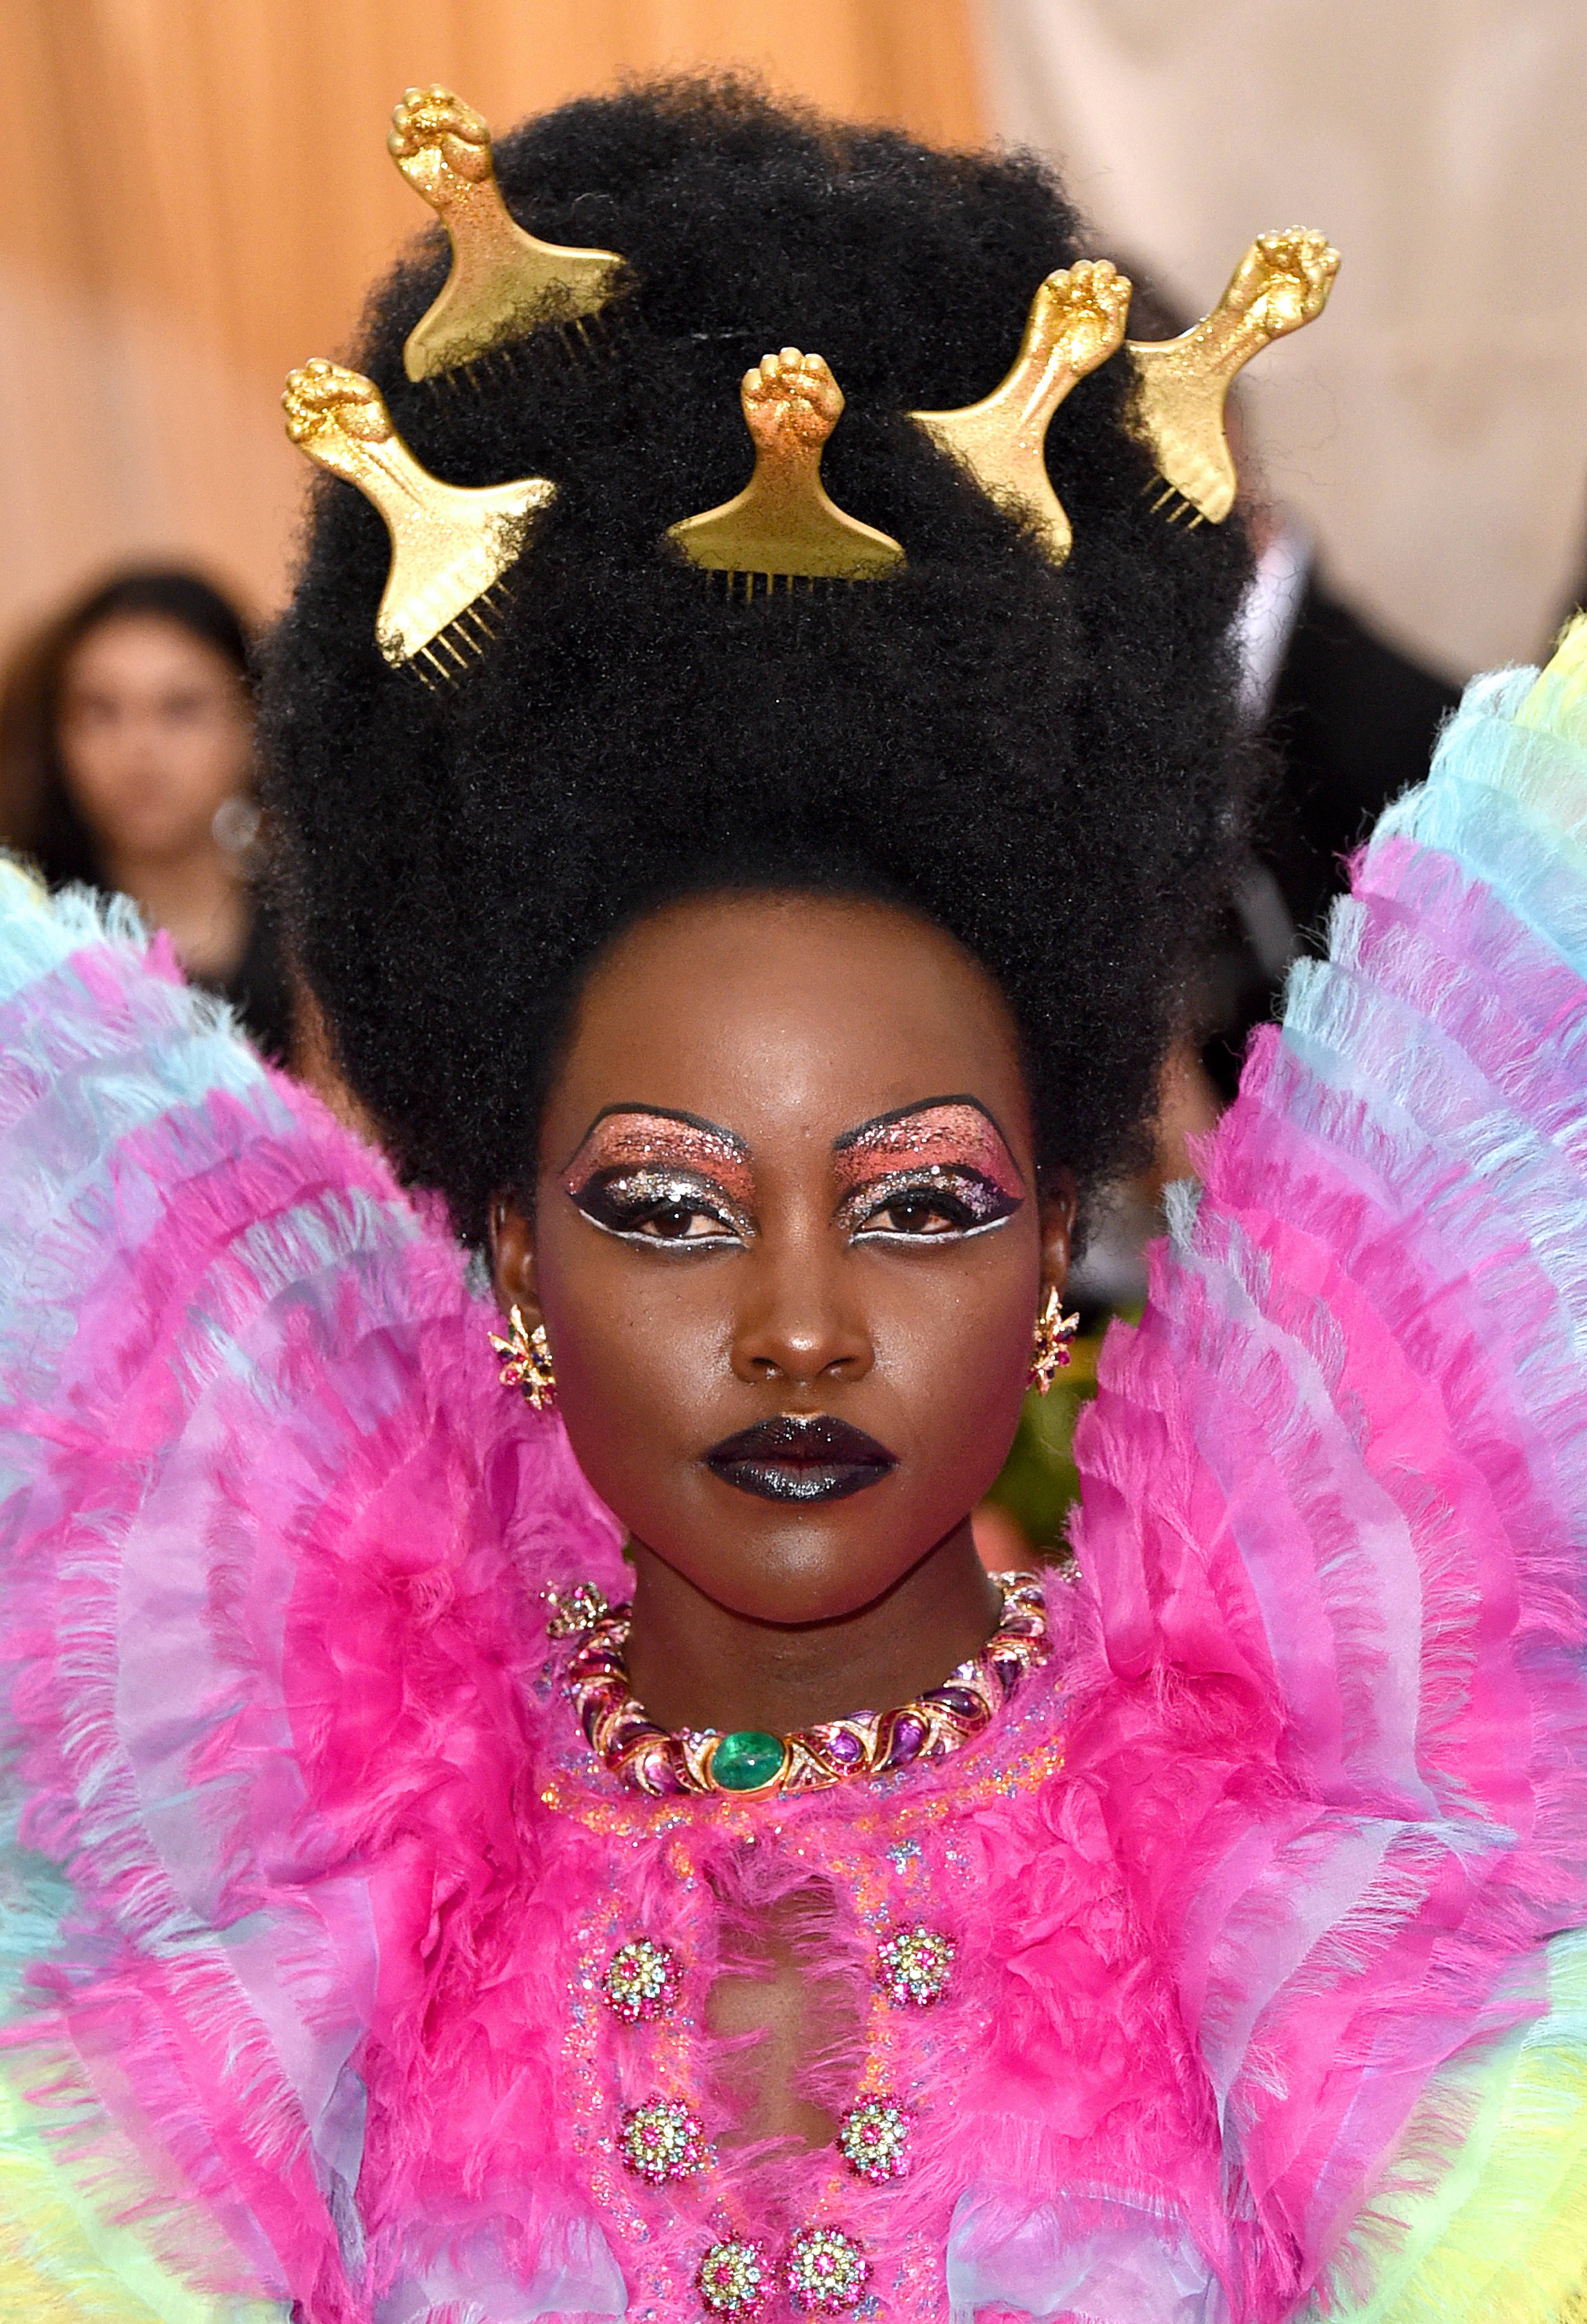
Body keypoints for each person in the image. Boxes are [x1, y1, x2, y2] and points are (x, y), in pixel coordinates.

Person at [0, 78, 1584, 2324]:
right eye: (668, 1207)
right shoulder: (328, 1898)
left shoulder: (1283, 1863)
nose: (801, 1324)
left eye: (921, 1203)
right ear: (517, 1253)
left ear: (1055, 1245)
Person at [0, 567, 292, 1055]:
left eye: (181, 708)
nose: (138, 749)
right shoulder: (23, 948)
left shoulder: (322, 935)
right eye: (99, 711)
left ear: (255, 729)